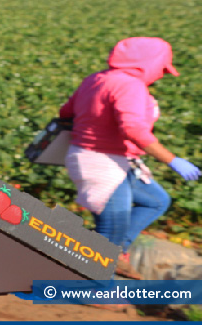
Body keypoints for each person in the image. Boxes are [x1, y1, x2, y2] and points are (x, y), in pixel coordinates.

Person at [59, 37, 200, 277]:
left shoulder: (96, 79)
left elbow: (66, 113)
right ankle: (87, 285)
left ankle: (115, 253)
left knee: (156, 200)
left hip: (101, 158)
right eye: (161, 69)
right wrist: (172, 159)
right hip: (102, 163)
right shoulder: (129, 85)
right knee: (110, 230)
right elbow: (132, 129)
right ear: (148, 64)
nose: (161, 75)